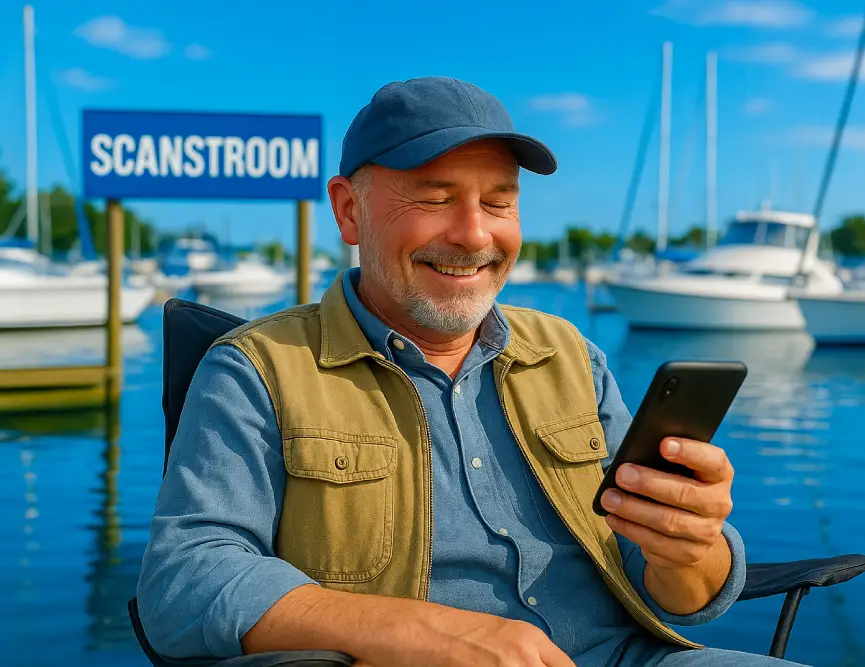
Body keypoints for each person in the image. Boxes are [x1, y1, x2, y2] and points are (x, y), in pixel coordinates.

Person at [137, 76, 805, 667]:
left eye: (499, 202)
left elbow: (676, 595)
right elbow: (183, 582)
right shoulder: (257, 369)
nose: (475, 235)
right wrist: (423, 633)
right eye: (435, 198)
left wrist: (691, 546)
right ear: (348, 210)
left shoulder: (571, 354)